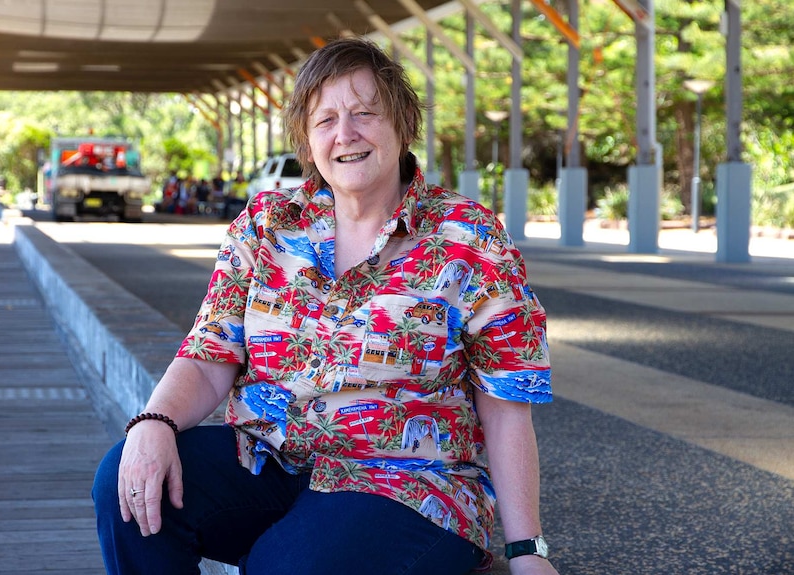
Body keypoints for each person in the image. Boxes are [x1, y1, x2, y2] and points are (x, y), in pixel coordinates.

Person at [93, 37, 558, 575]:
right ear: (307, 142)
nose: (346, 134)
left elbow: (503, 402)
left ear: (404, 126)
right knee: (124, 483)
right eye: (326, 120)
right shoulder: (267, 226)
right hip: (270, 460)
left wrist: (528, 551)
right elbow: (207, 355)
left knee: (284, 565)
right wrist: (154, 422)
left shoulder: (468, 238)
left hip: (409, 486)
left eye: (366, 113)